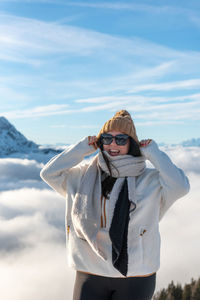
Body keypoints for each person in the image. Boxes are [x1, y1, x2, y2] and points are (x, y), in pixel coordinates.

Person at [40, 110, 190, 300]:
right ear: (100, 142)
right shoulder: (81, 176)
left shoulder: (151, 181)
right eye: (107, 138)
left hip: (136, 276)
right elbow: (48, 174)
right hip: (89, 272)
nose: (113, 144)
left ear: (132, 144)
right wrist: (81, 148)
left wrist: (154, 154)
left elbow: (181, 186)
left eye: (121, 139)